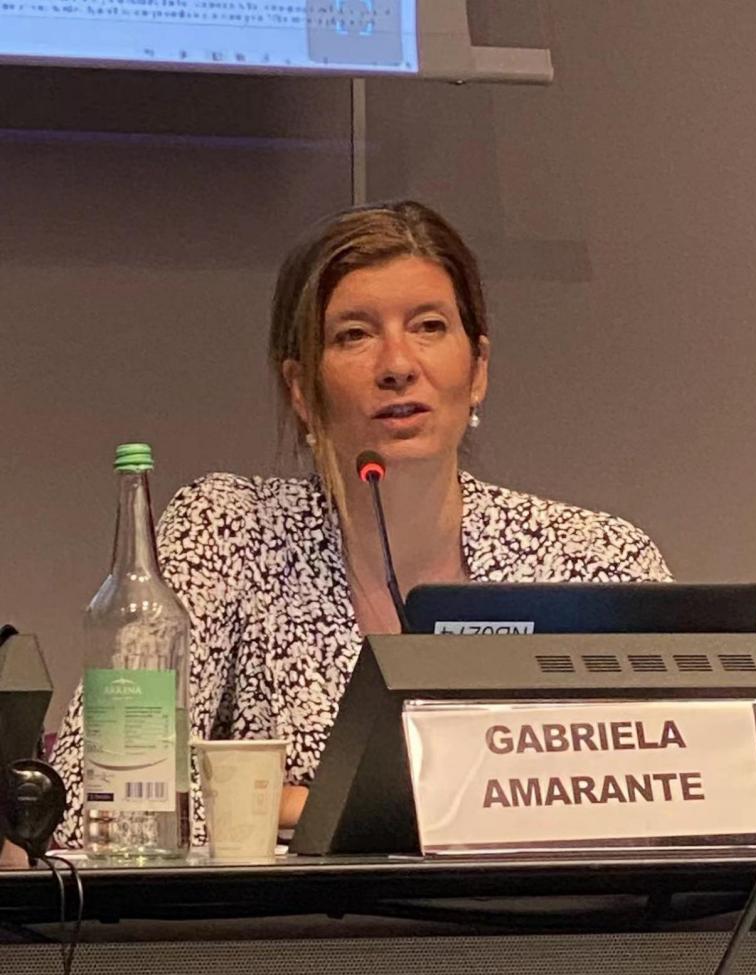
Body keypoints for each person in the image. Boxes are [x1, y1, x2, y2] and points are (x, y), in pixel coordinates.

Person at [50, 200, 671, 849]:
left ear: (478, 369)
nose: (397, 364)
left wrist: (288, 801)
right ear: (301, 389)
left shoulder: (597, 558)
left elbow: (685, 793)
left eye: (429, 326)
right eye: (354, 335)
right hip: (305, 916)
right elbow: (98, 797)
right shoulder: (232, 532)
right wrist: (374, 806)